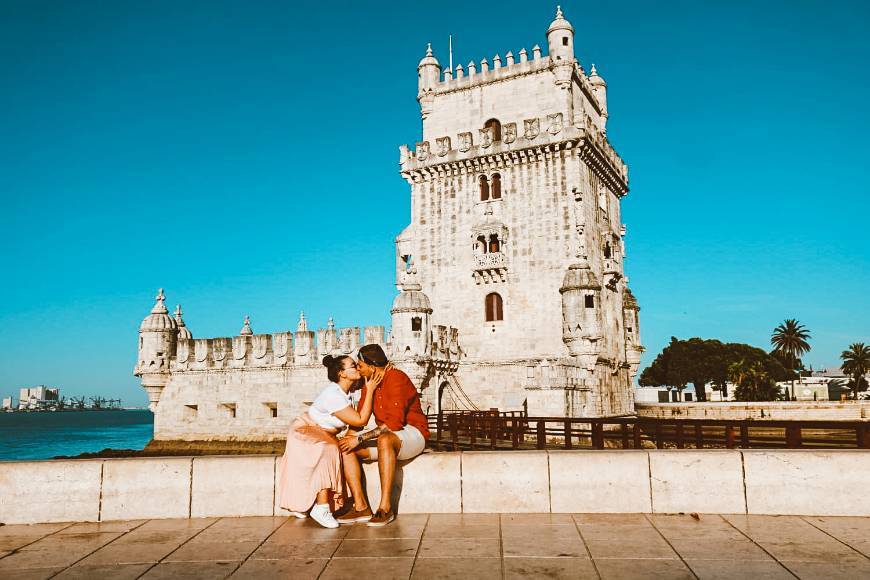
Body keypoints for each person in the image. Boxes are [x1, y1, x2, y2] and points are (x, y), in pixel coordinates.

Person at [277, 354, 382, 528]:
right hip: (306, 430)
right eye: (353, 366)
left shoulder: (348, 389)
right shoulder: (333, 395)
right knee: (330, 449)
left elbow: (371, 375)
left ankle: (305, 504)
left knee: (334, 448)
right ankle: (321, 507)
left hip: (320, 432)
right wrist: (370, 390)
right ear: (342, 373)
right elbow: (360, 420)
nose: (357, 368)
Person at [337, 344, 430, 526]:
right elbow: (359, 422)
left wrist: (360, 438)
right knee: (345, 449)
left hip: (413, 434)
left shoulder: (396, 378)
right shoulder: (368, 384)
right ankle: (361, 507)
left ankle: (385, 508)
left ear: (372, 366)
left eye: (360, 365)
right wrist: (347, 439)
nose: (358, 369)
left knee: (385, 438)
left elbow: (393, 424)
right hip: (387, 442)